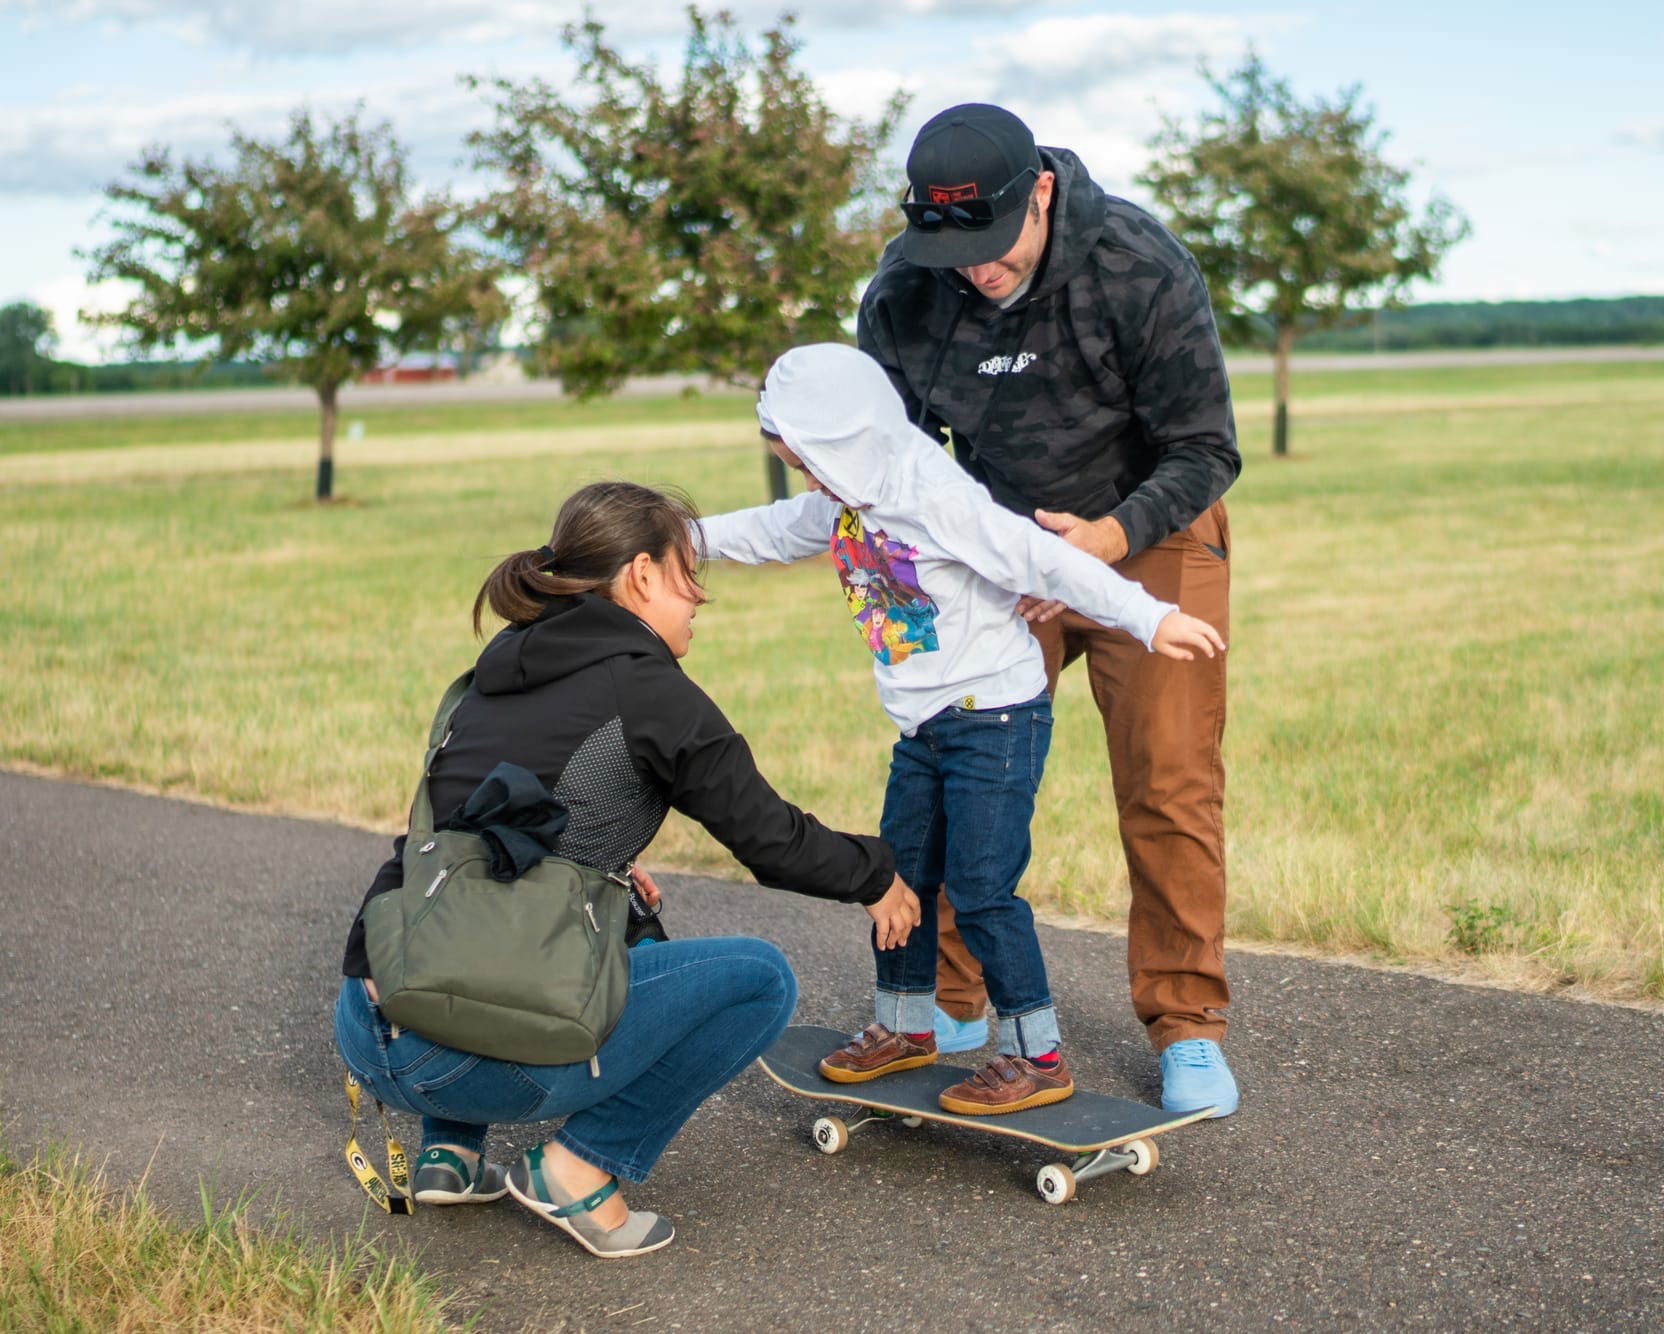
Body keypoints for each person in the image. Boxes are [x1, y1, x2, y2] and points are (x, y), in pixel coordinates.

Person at [334, 480, 921, 1258]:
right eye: (688, 578)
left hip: (366, 1026)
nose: (699, 600)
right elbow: (771, 838)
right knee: (760, 978)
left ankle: (451, 1152)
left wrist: (605, 868)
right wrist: (876, 874)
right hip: (461, 1059)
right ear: (641, 574)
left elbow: (475, 834)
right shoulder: (648, 690)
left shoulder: (499, 664)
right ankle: (578, 1169)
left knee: (604, 918)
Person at [697, 343, 1223, 1115]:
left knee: (981, 889)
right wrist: (679, 537)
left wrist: (1151, 618)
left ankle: (1036, 1055)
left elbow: (1048, 563)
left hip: (994, 718)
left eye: (806, 461)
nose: (806, 479)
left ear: (845, 441)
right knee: (899, 878)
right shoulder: (848, 494)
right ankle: (908, 1027)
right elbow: (778, 530)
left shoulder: (935, 497)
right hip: (924, 725)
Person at [857, 102, 1243, 1116]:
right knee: (951, 761)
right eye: (951, 247)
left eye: (990, 243)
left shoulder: (1136, 265)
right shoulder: (904, 292)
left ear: (1038, 191)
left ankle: (1186, 1023)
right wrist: (926, 563)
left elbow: (1204, 447)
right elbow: (889, 461)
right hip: (994, 539)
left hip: (1146, 530)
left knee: (1166, 779)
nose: (974, 267)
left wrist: (1104, 542)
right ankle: (952, 1006)